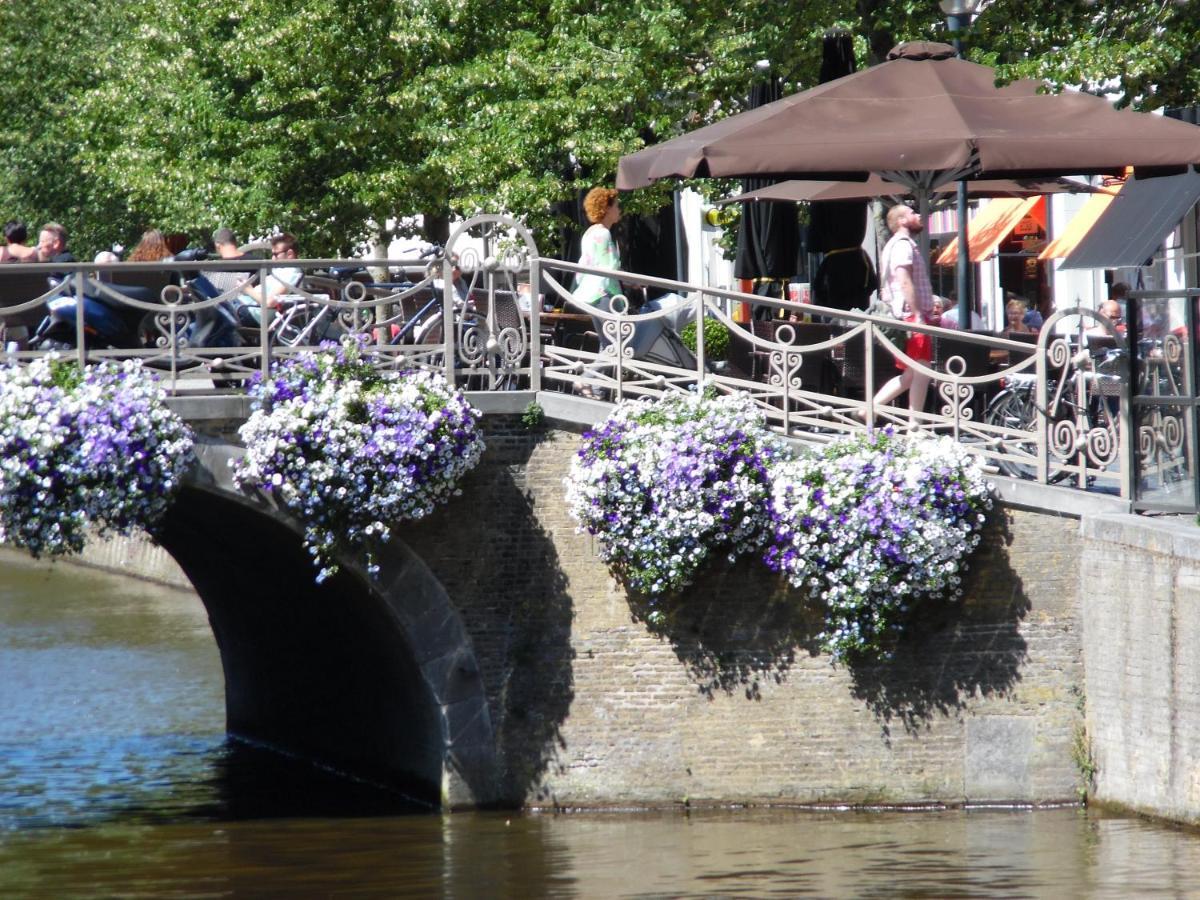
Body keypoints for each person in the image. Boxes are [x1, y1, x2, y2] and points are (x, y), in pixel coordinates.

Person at [865, 204, 935, 421]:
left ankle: (867, 409)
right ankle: (915, 426)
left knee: (911, 374)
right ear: (902, 221)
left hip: (906, 314)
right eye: (913, 213)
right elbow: (904, 280)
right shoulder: (903, 244)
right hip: (911, 315)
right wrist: (918, 315)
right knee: (922, 371)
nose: (919, 215)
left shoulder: (895, 245)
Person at [573, 187, 622, 314]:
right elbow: (611, 268)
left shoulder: (588, 234)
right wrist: (632, 281)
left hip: (584, 296)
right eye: (617, 206)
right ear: (607, 208)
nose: (619, 210)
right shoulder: (604, 234)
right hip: (603, 298)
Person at [241, 232, 303, 317]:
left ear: (289, 254)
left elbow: (270, 302)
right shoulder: (280, 270)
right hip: (244, 305)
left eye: (275, 254)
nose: (272, 259)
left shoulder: (292, 273)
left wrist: (248, 290)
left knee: (217, 305)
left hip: (251, 312)